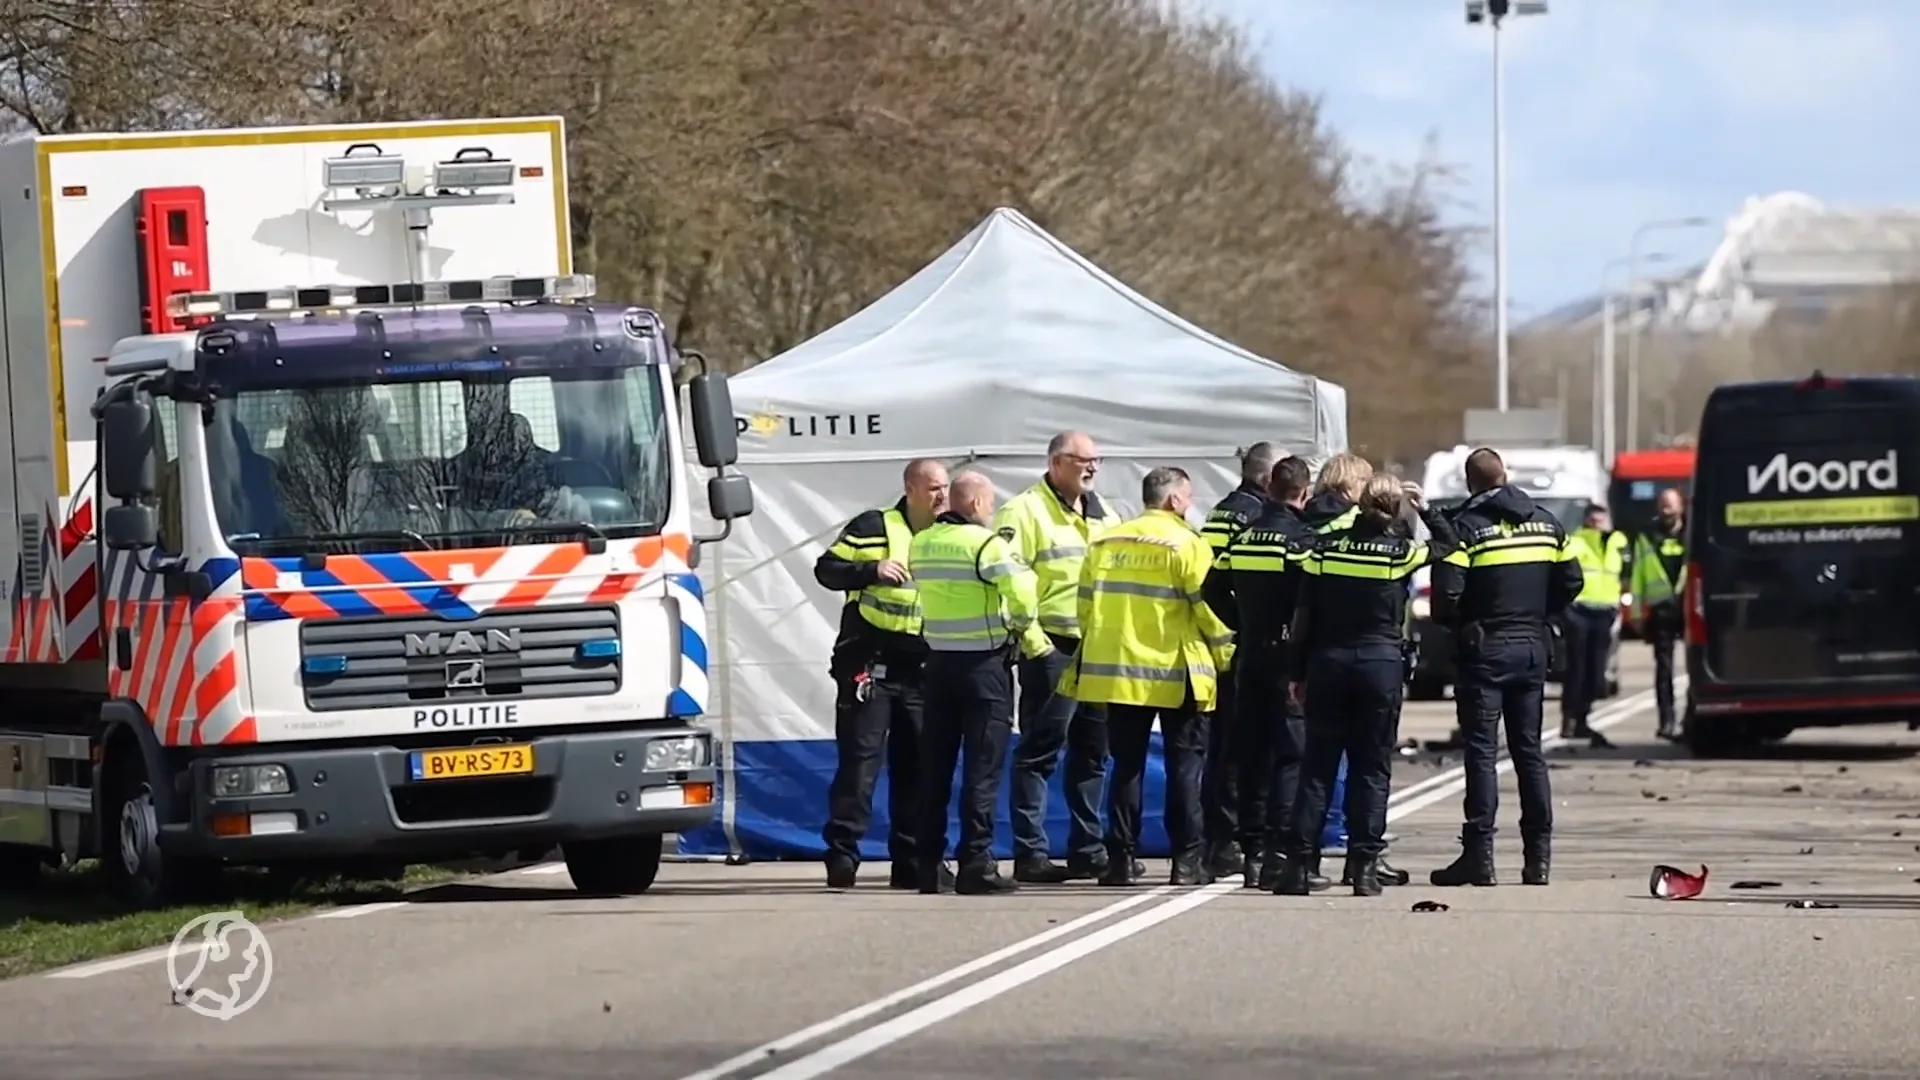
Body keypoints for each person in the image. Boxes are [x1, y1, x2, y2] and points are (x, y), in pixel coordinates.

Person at [1277, 476, 1454, 897]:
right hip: (1380, 666)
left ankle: (1299, 867)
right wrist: (1427, 509)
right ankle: (1364, 868)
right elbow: (1450, 544)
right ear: (1394, 511)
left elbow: (1304, 616)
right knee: (1371, 770)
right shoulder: (1399, 554)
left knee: (1317, 769)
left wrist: (1296, 672)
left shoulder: (1326, 550)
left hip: (1329, 663)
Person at [1063, 467, 1234, 887]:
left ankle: (1120, 860)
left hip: (1118, 674)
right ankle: (1186, 862)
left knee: (1126, 767)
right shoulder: (1189, 544)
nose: (1190, 505)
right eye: (1188, 497)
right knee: (1185, 767)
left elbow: (1084, 608)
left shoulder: (1105, 543)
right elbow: (1208, 609)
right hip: (1177, 672)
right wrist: (1227, 653)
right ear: (1174, 500)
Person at [1428, 448, 1584, 888]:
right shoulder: (1547, 522)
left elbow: (1447, 600)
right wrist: (1537, 614)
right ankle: (1538, 861)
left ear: (1470, 482)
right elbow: (1572, 581)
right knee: (1529, 754)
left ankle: (1479, 858)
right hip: (1532, 647)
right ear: (1506, 475)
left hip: (1485, 652)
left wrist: (1468, 623)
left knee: (1481, 755)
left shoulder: (1466, 530)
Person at [908, 470, 1051, 895]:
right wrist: (1020, 627)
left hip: (937, 667)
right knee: (981, 771)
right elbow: (1023, 590)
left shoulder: (922, 543)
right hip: (983, 667)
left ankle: (928, 865)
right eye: (988, 503)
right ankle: (976, 863)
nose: (991, 510)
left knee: (934, 769)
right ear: (974, 504)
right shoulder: (987, 545)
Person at [812, 459, 951, 890]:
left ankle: (909, 859)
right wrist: (872, 570)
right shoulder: (873, 526)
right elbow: (826, 570)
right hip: (869, 663)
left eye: (946, 488)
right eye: (933, 489)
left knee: (918, 768)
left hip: (921, 669)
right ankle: (843, 856)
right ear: (910, 489)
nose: (942, 496)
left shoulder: (948, 534)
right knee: (860, 763)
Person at [995, 430, 1117, 883]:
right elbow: (1006, 581)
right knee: (1040, 752)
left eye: (1097, 461)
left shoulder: (1104, 513)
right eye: (1083, 460)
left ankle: (1088, 848)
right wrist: (1034, 641)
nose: (1092, 468)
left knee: (1092, 754)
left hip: (1096, 648)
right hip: (1052, 646)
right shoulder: (1023, 511)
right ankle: (1030, 853)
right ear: (1056, 462)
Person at [1205, 454, 1325, 891]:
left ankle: (1251, 850)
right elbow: (1310, 601)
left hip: (1249, 654)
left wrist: (1241, 622)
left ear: (1269, 487)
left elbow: (1210, 588)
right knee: (1290, 756)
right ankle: (1277, 852)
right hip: (1285, 657)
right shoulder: (1302, 541)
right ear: (1304, 493)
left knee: (1250, 755)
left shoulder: (1244, 538)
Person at [1197, 442, 1281, 878]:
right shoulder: (1255, 517)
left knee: (1226, 751)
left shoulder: (1220, 512)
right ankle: (1230, 841)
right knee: (1243, 752)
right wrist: (1245, 622)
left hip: (1226, 644)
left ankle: (1221, 841)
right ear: (1268, 478)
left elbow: (1207, 580)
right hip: (1240, 648)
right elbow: (1215, 582)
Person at [1562, 503, 1628, 749]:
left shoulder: (1618, 542)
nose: (1599, 522)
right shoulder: (1575, 541)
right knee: (1577, 669)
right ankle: (1571, 718)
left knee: (1596, 671)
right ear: (1587, 520)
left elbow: (1625, 572)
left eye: (1602, 518)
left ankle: (1583, 717)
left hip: (1605, 611)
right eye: (1594, 519)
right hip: (1580, 610)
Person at [1630, 488, 1689, 742]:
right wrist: (1636, 612)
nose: (1666, 510)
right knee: (1664, 669)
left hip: (1688, 605)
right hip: (1661, 609)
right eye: (1663, 505)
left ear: (1681, 507)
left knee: (1696, 666)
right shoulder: (1647, 536)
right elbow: (1637, 577)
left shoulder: (1692, 533)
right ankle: (1667, 721)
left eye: (1671, 505)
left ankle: (1691, 719)